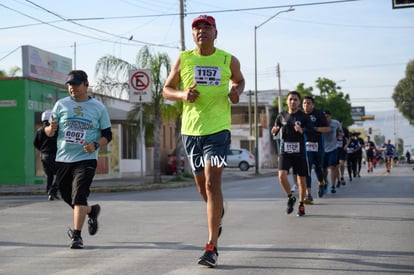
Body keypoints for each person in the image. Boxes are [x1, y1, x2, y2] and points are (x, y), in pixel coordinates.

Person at [162, 15, 245, 268]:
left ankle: (211, 246)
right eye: (197, 28)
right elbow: (166, 89)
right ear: (193, 34)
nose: (201, 31)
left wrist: (236, 92)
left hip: (218, 131)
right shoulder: (184, 58)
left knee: (211, 183)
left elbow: (239, 81)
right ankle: (216, 214)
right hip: (191, 132)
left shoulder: (227, 59)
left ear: (215, 33)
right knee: (201, 187)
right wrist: (182, 94)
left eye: (206, 27)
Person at [45, 70, 112, 249]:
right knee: (69, 197)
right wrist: (51, 128)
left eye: (76, 84)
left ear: (86, 85)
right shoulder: (61, 105)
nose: (72, 87)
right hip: (64, 158)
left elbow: (107, 135)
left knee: (79, 194)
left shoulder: (98, 108)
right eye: (69, 84)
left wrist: (96, 145)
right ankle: (91, 210)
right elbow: (49, 132)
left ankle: (77, 236)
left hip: (86, 158)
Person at [272, 91, 314, 217]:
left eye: (295, 99)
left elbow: (311, 131)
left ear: (299, 102)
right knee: (281, 176)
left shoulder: (304, 117)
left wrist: (302, 130)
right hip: (285, 151)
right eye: (290, 99)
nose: (293, 102)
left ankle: (301, 204)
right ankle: (291, 197)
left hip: (300, 152)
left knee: (302, 180)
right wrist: (274, 130)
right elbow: (276, 128)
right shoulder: (281, 115)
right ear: (287, 101)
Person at [302, 96, 329, 201]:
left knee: (318, 168)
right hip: (305, 146)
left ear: (313, 105)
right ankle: (308, 194)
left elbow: (327, 129)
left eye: (308, 103)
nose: (306, 105)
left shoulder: (319, 114)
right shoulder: (300, 115)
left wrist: (314, 129)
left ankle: (321, 183)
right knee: (307, 170)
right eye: (304, 103)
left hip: (318, 146)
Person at [33, 110, 60, 201]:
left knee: (49, 175)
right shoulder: (54, 129)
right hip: (54, 155)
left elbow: (35, 143)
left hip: (44, 156)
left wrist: (42, 150)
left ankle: (49, 191)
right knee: (61, 173)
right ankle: (53, 190)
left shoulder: (40, 130)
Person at [322, 110, 342, 194]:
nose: (326, 118)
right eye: (324, 117)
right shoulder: (320, 123)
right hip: (322, 149)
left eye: (327, 116)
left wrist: (339, 140)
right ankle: (325, 183)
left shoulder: (336, 123)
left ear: (330, 116)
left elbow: (340, 131)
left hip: (333, 148)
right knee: (324, 169)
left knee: (333, 167)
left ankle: (333, 186)